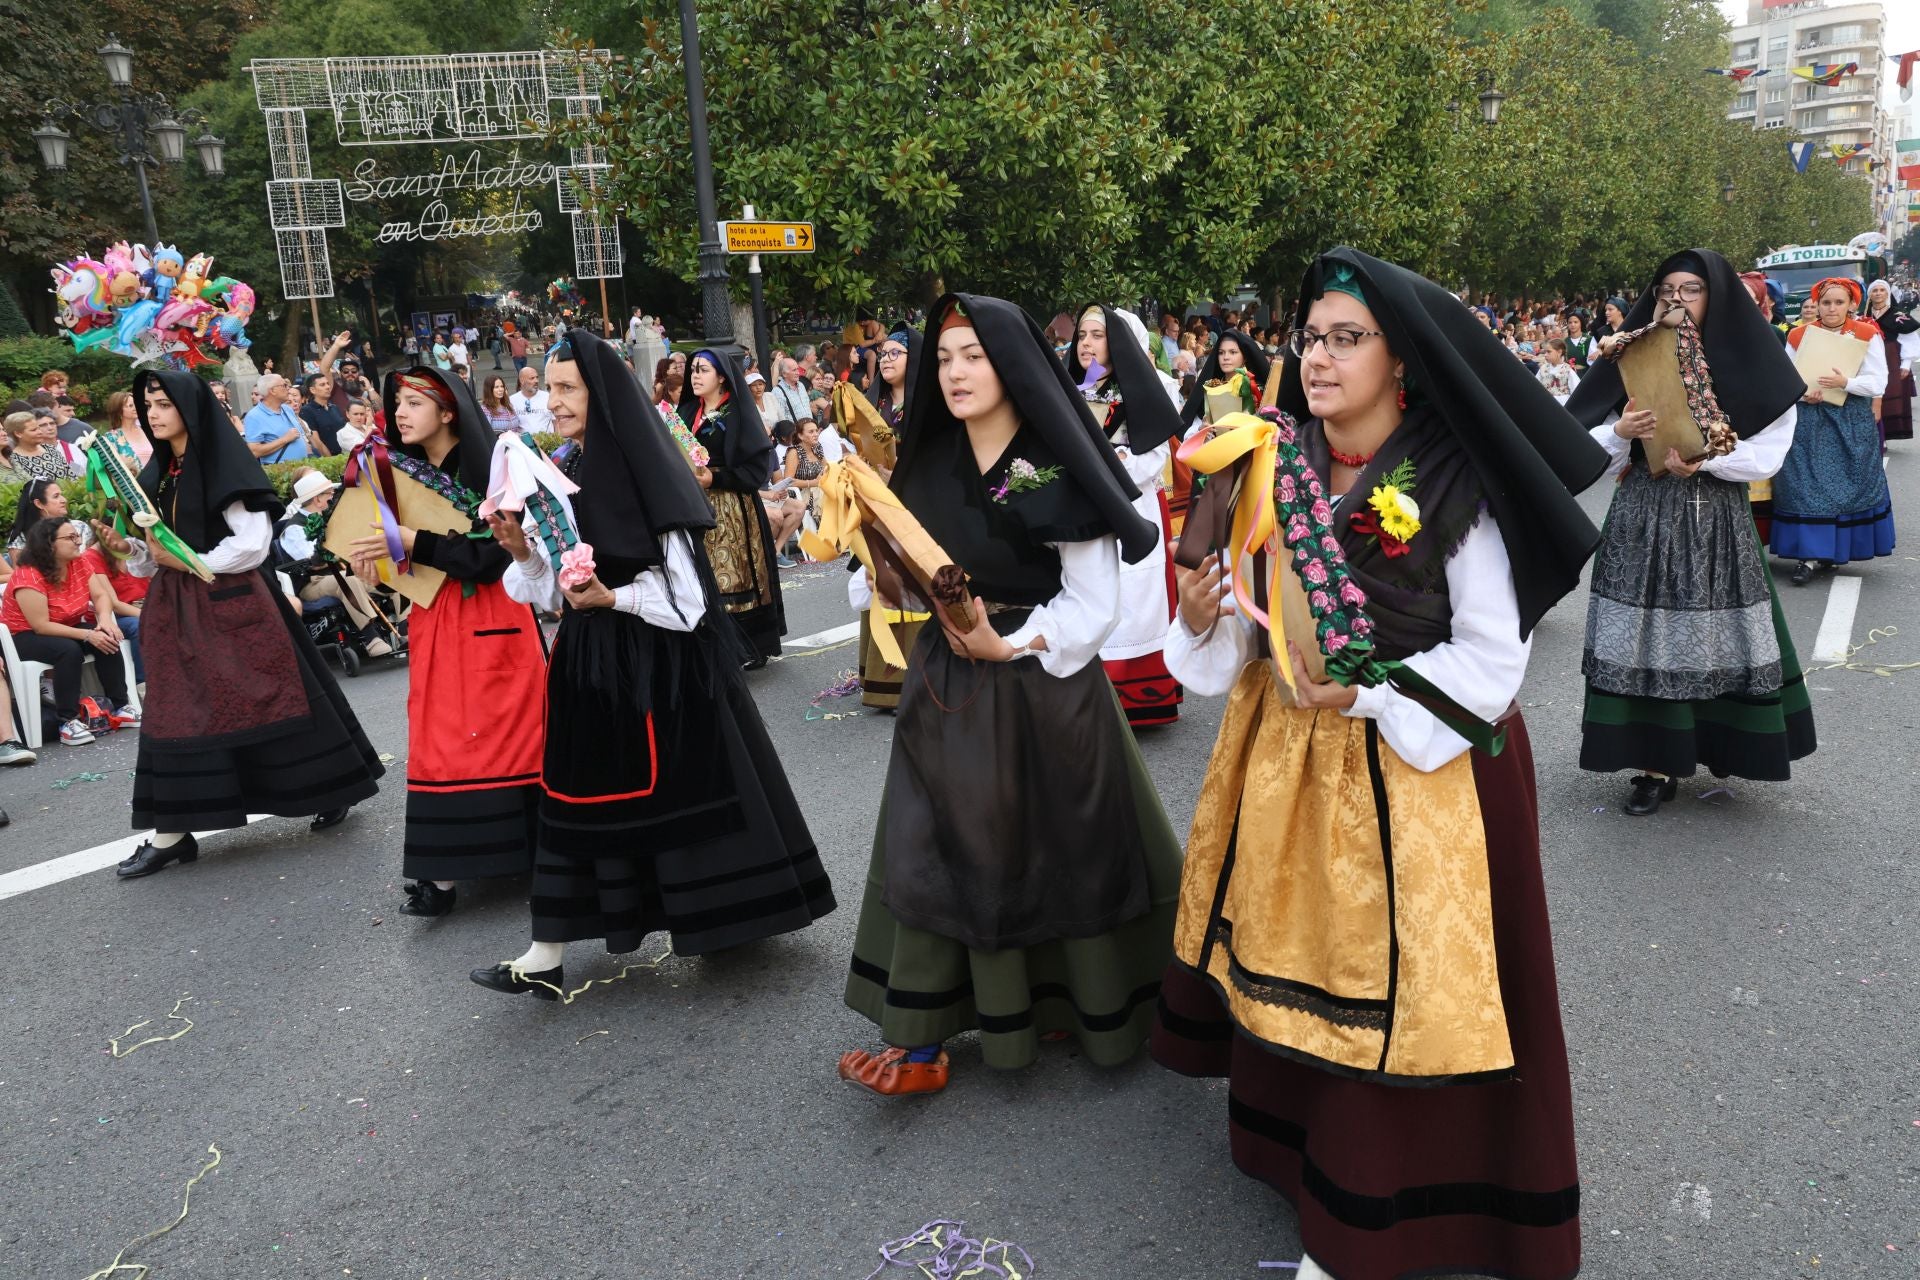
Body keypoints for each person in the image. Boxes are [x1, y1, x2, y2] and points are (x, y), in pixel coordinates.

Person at [1152, 248, 1604, 1280]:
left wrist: (1370, 692)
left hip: (1421, 767)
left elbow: (1493, 654)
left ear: (1401, 359)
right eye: (1311, 336)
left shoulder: (1450, 478)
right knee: (1305, 958)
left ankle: (1368, 1222)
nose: (1318, 356)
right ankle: (1300, 1159)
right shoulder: (1266, 464)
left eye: (1345, 336)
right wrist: (1198, 615)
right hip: (1289, 757)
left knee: (1394, 989)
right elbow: (1241, 646)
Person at [837, 293, 1183, 1097]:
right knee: (933, 843)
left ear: (1013, 363)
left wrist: (1014, 643)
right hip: (949, 682)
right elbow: (891, 583)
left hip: (1042, 687)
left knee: (1061, 848)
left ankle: (1084, 1004)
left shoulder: (1053, 458)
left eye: (974, 356)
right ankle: (919, 1039)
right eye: (945, 358)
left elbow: (1095, 603)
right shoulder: (930, 459)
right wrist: (867, 536)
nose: (955, 374)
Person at [471, 328, 834, 998]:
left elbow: (691, 602)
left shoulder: (646, 468)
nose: (551, 402)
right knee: (575, 797)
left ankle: (723, 916)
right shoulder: (564, 472)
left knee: (681, 800)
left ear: (600, 394)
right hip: (587, 665)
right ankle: (544, 951)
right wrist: (522, 551)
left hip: (660, 666)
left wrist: (617, 596)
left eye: (565, 388)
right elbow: (554, 593)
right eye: (548, 388)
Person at [1568, 248, 1815, 816]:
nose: (1675, 298)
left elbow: (1770, 455)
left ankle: (1717, 740)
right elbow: (1583, 440)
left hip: (1713, 517)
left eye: (1691, 289)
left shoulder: (1751, 358)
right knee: (1643, 633)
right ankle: (1653, 764)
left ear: (1715, 298)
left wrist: (1707, 459)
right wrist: (1620, 432)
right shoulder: (1630, 353)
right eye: (1665, 289)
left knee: (1709, 636)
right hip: (1642, 513)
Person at [113, 370, 383, 879]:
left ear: (189, 408)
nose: (152, 412)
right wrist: (128, 549)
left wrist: (185, 560)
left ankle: (328, 786)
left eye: (163, 403)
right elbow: (152, 558)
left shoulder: (222, 463)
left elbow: (252, 545)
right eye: (147, 403)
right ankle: (172, 832)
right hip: (174, 610)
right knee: (176, 710)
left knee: (272, 696)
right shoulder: (159, 471)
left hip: (234, 602)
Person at [341, 367, 548, 918]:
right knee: (437, 735)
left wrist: (413, 540)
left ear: (449, 410)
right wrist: (375, 567)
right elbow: (411, 563)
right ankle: (443, 868)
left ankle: (532, 850)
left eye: (413, 402)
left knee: (509, 731)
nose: (399, 413)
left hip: (496, 613)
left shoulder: (494, 464)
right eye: (397, 404)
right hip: (433, 620)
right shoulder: (397, 474)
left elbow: (490, 559)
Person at [1067, 303, 1187, 727]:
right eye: (1082, 335)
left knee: (1133, 596)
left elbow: (1152, 458)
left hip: (1131, 506)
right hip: (1084, 509)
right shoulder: (1072, 390)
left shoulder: (1138, 390)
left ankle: (1136, 695)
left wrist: (1108, 465)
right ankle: (1088, 697)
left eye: (1096, 335)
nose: (1086, 343)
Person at [1771, 277, 1895, 583]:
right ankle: (1807, 557)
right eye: (1825, 302)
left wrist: (1846, 383)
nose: (1831, 308)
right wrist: (1803, 393)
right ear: (1817, 305)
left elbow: (1879, 382)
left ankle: (1831, 552)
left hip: (1850, 419)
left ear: (1852, 304)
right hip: (1808, 419)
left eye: (1839, 302)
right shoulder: (1800, 335)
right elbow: (1787, 378)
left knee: (1845, 486)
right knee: (1803, 485)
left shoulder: (1866, 334)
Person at [679, 348, 786, 665]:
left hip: (733, 508)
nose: (695, 375)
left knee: (735, 575)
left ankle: (749, 646)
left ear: (722, 377)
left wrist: (718, 479)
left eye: (703, 370)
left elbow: (755, 470)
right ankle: (712, 646)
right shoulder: (686, 412)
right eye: (693, 370)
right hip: (695, 507)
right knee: (702, 576)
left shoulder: (738, 413)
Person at [848, 326, 930, 710]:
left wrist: (900, 475)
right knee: (881, 580)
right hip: (879, 506)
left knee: (913, 584)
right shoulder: (872, 405)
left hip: (916, 506)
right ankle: (884, 681)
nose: (887, 359)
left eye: (896, 353)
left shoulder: (927, 405)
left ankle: (921, 676)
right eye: (884, 353)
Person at [2, 517, 137, 745]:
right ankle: (68, 721)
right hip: (23, 636)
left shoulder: (80, 563)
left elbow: (101, 595)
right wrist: (87, 634)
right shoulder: (29, 574)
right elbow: (41, 625)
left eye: (77, 536)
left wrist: (104, 620)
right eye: (70, 537)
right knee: (68, 651)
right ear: (49, 544)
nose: (78, 541)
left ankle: (121, 706)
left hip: (65, 625)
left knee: (106, 636)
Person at [276, 470, 393, 656]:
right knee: (349, 580)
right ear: (317, 500)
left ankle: (405, 626)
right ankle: (371, 638)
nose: (333, 497)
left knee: (388, 571)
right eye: (330, 494)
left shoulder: (333, 519)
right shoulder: (294, 529)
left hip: (343, 572)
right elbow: (314, 562)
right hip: (312, 582)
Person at [1866, 279, 1916, 449]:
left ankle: (1885, 435)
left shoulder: (1898, 315)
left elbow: (1909, 340)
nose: (1878, 293)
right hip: (1869, 356)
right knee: (1871, 394)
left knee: (1888, 396)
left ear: (1887, 293)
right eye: (1874, 290)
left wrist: (1906, 364)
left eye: (1882, 290)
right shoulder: (1864, 316)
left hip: (1891, 356)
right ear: (1869, 294)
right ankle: (1875, 433)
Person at [9, 478, 88, 565]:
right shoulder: (20, 537)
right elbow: (21, 576)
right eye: (56, 496)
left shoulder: (80, 527)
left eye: (61, 495)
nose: (64, 500)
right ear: (39, 503)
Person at [242, 374, 315, 463]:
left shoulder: (287, 409)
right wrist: (285, 439)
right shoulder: (254, 416)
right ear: (272, 391)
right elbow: (254, 451)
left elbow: (300, 439)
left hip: (304, 467)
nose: (288, 388)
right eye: (284, 385)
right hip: (281, 473)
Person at [4, 410, 80, 481]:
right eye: (33, 430)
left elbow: (73, 474)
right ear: (18, 434)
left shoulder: (50, 448)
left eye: (38, 428)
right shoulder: (14, 460)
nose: (40, 432)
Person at [781, 417, 829, 525]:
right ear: (800, 435)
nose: (816, 434)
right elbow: (788, 481)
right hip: (801, 494)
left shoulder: (817, 448)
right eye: (811, 432)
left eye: (816, 431)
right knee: (826, 495)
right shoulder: (794, 452)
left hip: (820, 488)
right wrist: (812, 483)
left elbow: (827, 469)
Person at [100, 390, 154, 467]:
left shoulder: (148, 430)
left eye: (136, 404)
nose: (136, 408)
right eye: (130, 405)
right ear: (118, 411)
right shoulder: (112, 437)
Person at [299, 373, 347, 455]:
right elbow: (316, 441)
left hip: (346, 454)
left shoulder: (334, 407)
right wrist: (331, 461)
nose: (328, 387)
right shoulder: (307, 411)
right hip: (330, 460)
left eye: (328, 384)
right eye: (322, 385)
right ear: (312, 390)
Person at [1534, 336, 1580, 402]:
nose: (1545, 355)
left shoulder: (1568, 370)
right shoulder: (1543, 368)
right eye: (1545, 352)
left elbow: (1576, 392)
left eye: (1549, 352)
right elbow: (1535, 387)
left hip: (1562, 406)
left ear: (1559, 352)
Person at [510, 367, 552, 434]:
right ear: (522, 381)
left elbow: (556, 421)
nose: (536, 381)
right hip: (522, 443)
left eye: (537, 377)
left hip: (547, 442)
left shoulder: (548, 397)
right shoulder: (512, 400)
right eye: (532, 378)